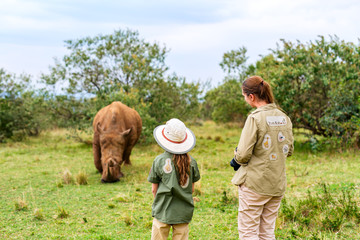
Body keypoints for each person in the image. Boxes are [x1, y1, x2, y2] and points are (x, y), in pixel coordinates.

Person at [230, 76, 294, 240]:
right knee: (267, 232)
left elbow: (243, 155)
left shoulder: (255, 118)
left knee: (248, 232)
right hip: (277, 183)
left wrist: (236, 158)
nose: (245, 100)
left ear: (251, 96)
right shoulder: (284, 117)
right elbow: (289, 150)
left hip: (255, 183)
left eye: (244, 96)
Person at [148, 118, 201, 240]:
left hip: (162, 210)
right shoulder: (192, 162)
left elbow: (154, 190)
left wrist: (160, 203)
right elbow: (191, 189)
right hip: (183, 212)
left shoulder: (159, 160)